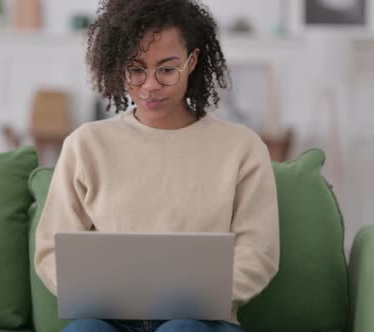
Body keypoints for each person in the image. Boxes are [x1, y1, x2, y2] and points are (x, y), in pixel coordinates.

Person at [34, 0, 280, 331]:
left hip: (200, 320)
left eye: (166, 69)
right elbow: (51, 249)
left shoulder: (241, 148)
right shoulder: (86, 145)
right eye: (136, 69)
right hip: (108, 318)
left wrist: (200, 297)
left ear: (192, 61)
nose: (149, 85)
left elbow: (258, 253)